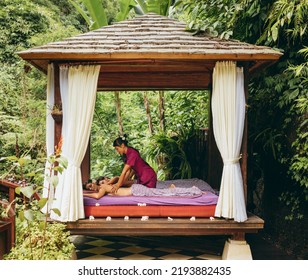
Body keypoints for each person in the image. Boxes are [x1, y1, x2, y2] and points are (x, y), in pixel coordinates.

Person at [83, 182, 203, 199]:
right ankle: (173, 189)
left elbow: (97, 196)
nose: (91, 187)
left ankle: (193, 190)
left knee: (164, 194)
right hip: (137, 189)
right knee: (162, 193)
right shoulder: (106, 186)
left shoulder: (103, 187)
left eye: (90, 185)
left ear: (95, 183)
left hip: (136, 190)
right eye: (88, 188)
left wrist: (83, 194)